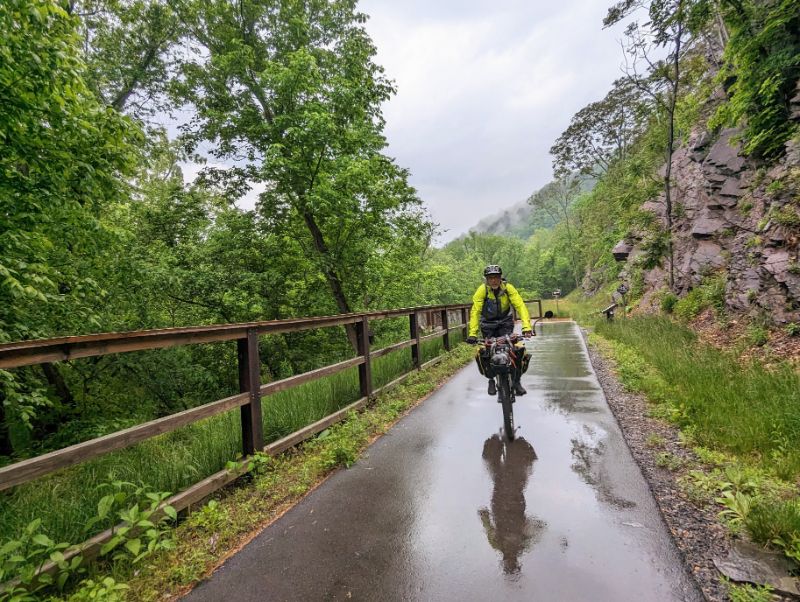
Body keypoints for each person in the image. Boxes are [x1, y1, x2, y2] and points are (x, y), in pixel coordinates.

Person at [466, 265, 532, 396]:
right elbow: (475, 311)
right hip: (487, 324)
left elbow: (520, 305)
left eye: (496, 277)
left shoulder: (508, 288)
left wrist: (526, 327)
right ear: (486, 279)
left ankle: (517, 382)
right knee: (485, 351)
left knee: (516, 349)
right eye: (490, 278)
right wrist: (472, 333)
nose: (494, 280)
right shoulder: (482, 290)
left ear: (500, 278)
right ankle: (491, 379)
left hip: (505, 322)